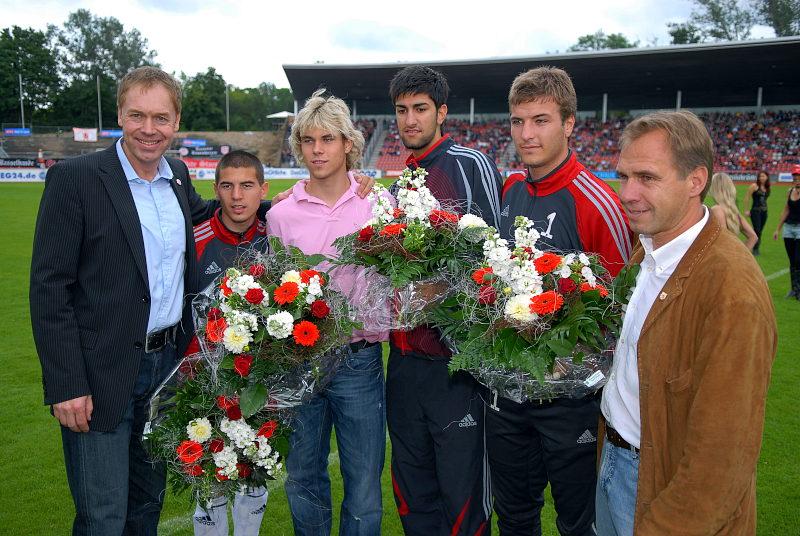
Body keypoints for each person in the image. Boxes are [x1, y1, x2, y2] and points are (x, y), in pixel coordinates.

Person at [30, 66, 224, 535]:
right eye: (137, 115)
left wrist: (296, 199)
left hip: (165, 372)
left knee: (145, 510)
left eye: (161, 117)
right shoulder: (75, 178)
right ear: (119, 114)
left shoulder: (177, 176)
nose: (148, 129)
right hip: (99, 375)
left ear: (176, 122)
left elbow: (218, 214)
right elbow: (49, 287)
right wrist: (66, 383)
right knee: (103, 517)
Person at [598, 110, 776, 535]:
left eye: (647, 177)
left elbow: (723, 455)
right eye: (624, 176)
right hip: (615, 461)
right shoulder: (648, 248)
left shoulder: (731, 288)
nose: (627, 193)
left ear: (695, 181)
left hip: (663, 488)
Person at [488, 66, 631, 536]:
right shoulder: (511, 188)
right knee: (514, 518)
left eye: (541, 120)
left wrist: (570, 361)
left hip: (572, 402)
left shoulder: (596, 203)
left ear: (569, 123)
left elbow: (623, 309)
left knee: (578, 523)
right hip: (508, 393)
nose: (526, 134)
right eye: (517, 121)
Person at [265, 89, 389, 536]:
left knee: (364, 485)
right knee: (303, 478)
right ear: (299, 147)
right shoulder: (281, 214)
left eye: (328, 139)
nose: (317, 150)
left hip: (359, 361)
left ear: (347, 144)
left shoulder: (377, 204)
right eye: (308, 140)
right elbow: (273, 294)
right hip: (298, 360)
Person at [386, 65, 502, 536]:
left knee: (462, 496)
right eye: (401, 110)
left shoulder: (468, 164)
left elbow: (496, 254)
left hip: (456, 366)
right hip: (403, 362)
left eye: (420, 109)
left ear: (442, 112)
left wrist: (441, 291)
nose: (410, 119)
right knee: (413, 494)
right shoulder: (399, 185)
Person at [189, 150, 270, 536]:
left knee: (255, 473)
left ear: (263, 190)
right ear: (215, 189)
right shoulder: (194, 240)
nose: (237, 196)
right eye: (228, 186)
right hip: (202, 382)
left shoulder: (276, 238)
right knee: (209, 478)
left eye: (247, 186)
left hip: (263, 384)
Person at [708, 172, 758, 251]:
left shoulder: (717, 210)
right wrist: (740, 256)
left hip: (721, 257)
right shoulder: (733, 211)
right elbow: (753, 237)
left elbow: (723, 241)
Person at [772, 164, 800, 299]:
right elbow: (786, 210)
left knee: (798, 260)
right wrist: (777, 229)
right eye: (794, 176)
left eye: (798, 176)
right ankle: (794, 289)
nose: (796, 178)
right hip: (788, 228)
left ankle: (798, 290)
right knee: (792, 260)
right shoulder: (790, 191)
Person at [744, 170, 771, 255]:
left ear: (767, 177)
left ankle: (754, 246)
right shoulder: (754, 186)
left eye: (763, 176)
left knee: (760, 231)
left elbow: (765, 200)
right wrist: (746, 210)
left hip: (764, 212)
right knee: (757, 230)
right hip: (755, 211)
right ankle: (755, 248)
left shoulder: (767, 188)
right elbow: (747, 198)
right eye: (760, 176)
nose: (761, 178)